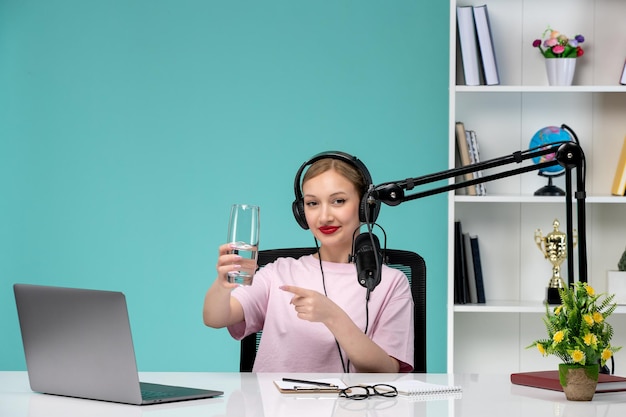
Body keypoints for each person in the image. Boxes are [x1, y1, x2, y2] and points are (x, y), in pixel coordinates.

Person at [203, 151, 414, 373]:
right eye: (312, 203)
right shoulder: (279, 272)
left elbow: (387, 370)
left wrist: (333, 316)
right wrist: (221, 285)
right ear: (301, 212)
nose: (324, 217)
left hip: (348, 407)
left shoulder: (391, 282)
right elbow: (215, 318)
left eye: (338, 201)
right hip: (272, 405)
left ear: (365, 206)